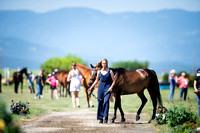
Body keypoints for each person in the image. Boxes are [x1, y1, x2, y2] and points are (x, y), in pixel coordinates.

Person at [88, 59, 116, 124]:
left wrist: (111, 88)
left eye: (105, 63)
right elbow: (96, 80)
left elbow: (114, 81)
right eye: (103, 63)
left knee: (106, 102)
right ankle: (100, 118)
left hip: (107, 88)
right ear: (101, 64)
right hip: (100, 87)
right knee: (100, 102)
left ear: (107, 64)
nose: (104, 64)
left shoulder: (110, 71)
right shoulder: (99, 72)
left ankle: (105, 117)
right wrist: (91, 87)